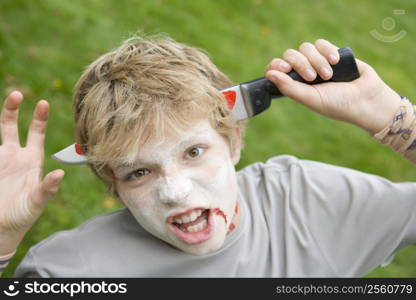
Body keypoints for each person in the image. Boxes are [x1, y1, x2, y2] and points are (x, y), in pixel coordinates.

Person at [0, 35, 415, 277]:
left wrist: (394, 119)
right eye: (138, 172)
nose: (175, 192)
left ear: (234, 141)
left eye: (194, 151)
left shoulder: (305, 202)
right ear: (113, 185)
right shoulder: (75, 270)